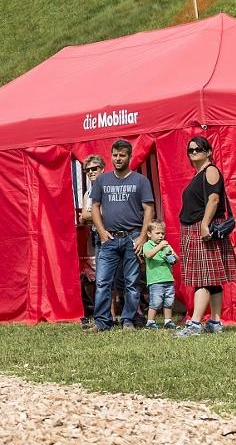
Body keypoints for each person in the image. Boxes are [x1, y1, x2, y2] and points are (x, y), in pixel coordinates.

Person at [176, 135, 236, 338]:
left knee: (203, 278)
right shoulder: (199, 174)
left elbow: (213, 200)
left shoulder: (210, 170)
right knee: (212, 280)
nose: (194, 152)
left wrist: (204, 224)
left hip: (202, 227)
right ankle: (214, 322)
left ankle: (195, 324)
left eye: (198, 149)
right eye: (191, 150)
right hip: (195, 227)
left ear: (209, 152)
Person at [89, 139, 154, 331]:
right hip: (109, 239)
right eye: (115, 155)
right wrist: (101, 231)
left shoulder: (141, 181)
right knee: (102, 282)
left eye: (122, 155)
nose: (118, 159)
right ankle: (102, 322)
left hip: (132, 237)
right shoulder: (102, 180)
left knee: (132, 282)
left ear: (129, 157)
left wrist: (142, 236)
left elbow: (149, 209)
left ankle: (128, 320)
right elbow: (95, 206)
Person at [77, 154, 105, 328]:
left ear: (102, 169)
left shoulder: (108, 187)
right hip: (94, 236)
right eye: (88, 170)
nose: (91, 172)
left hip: (108, 235)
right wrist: (89, 216)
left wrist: (88, 216)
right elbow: (83, 217)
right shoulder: (88, 192)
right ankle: (100, 314)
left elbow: (103, 213)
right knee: (96, 277)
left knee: (112, 278)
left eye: (95, 168)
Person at [142, 220, 177, 329]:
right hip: (155, 280)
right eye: (157, 233)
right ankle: (150, 322)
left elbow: (175, 260)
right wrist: (160, 246)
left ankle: (168, 321)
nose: (161, 236)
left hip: (168, 279)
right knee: (156, 302)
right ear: (149, 234)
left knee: (169, 301)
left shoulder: (166, 246)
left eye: (162, 233)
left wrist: (173, 256)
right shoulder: (147, 245)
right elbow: (148, 255)